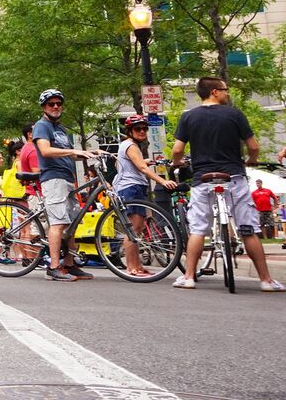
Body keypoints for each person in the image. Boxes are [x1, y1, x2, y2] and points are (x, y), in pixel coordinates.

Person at [171, 77, 283, 292]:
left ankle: (188, 277)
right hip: (233, 177)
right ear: (214, 92)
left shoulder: (188, 117)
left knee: (197, 229)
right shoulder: (234, 114)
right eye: (225, 90)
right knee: (248, 229)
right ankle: (266, 281)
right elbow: (254, 147)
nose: (227, 93)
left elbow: (177, 150)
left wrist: (178, 163)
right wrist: (251, 160)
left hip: (203, 179)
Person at [30, 88, 98, 282]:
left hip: (68, 178)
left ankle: (70, 264)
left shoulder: (60, 129)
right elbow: (45, 150)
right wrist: (72, 152)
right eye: (51, 104)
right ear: (44, 106)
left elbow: (69, 152)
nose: (56, 106)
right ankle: (53, 266)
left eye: (59, 103)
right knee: (58, 222)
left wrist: (91, 152)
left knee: (72, 223)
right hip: (53, 178)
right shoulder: (42, 126)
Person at [113, 115, 179, 278]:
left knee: (137, 230)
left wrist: (147, 161)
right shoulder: (131, 146)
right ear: (129, 131)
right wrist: (163, 181)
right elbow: (141, 167)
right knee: (133, 230)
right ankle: (132, 268)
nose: (142, 131)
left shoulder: (127, 146)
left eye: (144, 128)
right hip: (132, 188)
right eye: (137, 128)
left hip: (133, 187)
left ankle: (138, 266)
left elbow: (122, 164)